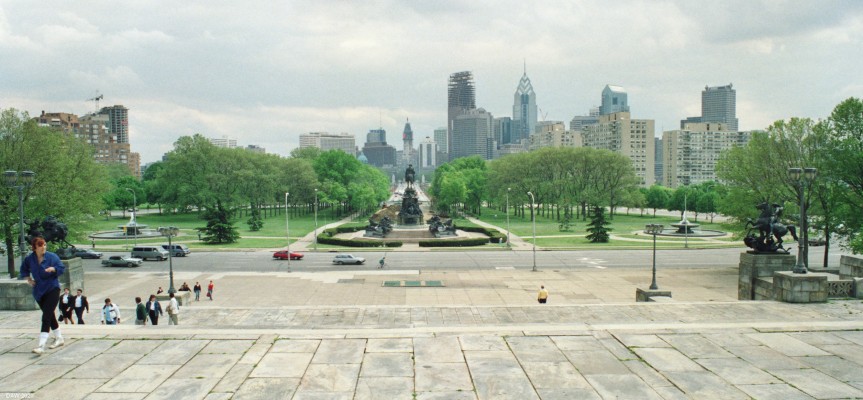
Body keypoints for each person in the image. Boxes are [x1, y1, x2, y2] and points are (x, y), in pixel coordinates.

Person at [20, 237, 66, 355]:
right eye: (41, 245)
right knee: (50, 315)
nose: (43, 247)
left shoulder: (52, 256)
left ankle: (41, 346)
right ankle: (59, 338)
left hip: (52, 288)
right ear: (35, 247)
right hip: (39, 291)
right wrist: (29, 279)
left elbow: (61, 268)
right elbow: (23, 269)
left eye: (45, 245)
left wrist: (54, 269)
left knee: (46, 316)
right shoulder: (30, 259)